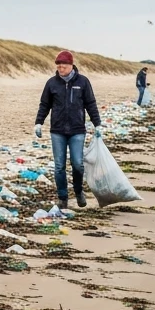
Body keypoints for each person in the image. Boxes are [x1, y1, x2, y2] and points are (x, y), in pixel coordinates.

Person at [34, 50, 101, 208]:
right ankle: (62, 197)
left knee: (78, 164)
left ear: (71, 65)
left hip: (77, 130)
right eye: (58, 66)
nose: (60, 69)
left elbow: (90, 104)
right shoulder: (52, 83)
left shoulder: (83, 82)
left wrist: (97, 124)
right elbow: (44, 104)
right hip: (57, 131)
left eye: (63, 66)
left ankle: (78, 192)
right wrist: (39, 122)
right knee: (59, 166)